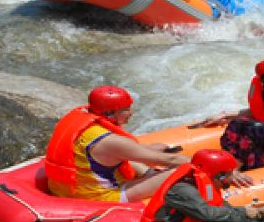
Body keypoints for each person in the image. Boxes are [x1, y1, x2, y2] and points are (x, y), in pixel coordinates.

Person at [45, 86, 189, 202]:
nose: (131, 112)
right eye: (126, 109)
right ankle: (152, 175)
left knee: (135, 156)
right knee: (182, 170)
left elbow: (126, 151)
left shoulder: (85, 124)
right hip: (99, 198)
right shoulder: (111, 141)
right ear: (110, 113)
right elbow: (170, 159)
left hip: (67, 190)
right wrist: (197, 162)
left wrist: (150, 150)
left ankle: (150, 174)